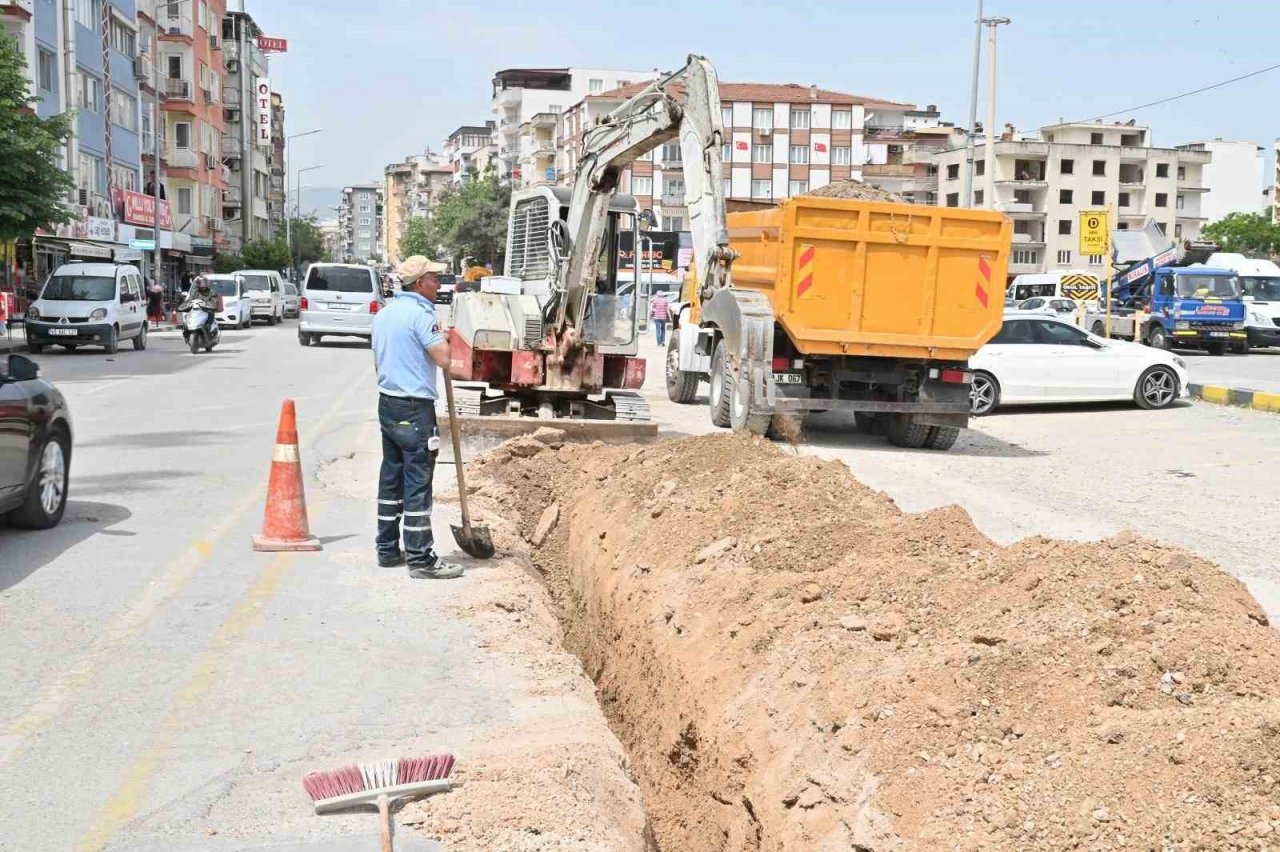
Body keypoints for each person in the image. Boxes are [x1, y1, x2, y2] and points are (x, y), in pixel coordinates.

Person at [371, 255, 462, 580]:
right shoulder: (423, 317)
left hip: (388, 403)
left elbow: (378, 362)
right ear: (420, 282)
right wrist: (446, 341)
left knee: (391, 477)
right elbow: (443, 359)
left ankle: (386, 549)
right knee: (418, 482)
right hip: (414, 408)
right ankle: (421, 558)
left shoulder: (384, 315)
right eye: (434, 279)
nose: (438, 284)